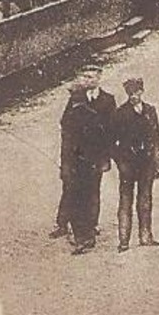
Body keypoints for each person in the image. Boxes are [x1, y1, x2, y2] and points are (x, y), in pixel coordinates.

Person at [58, 73, 115, 255]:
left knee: (87, 197)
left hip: (88, 162)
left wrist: (103, 159)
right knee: (79, 198)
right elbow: (66, 142)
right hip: (78, 162)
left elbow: (106, 137)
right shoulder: (74, 117)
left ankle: (86, 235)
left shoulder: (88, 116)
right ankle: (83, 237)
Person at [111, 78, 159, 250]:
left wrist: (158, 162)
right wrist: (120, 162)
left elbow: (156, 138)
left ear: (142, 91)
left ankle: (146, 236)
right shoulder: (120, 113)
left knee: (145, 200)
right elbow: (112, 143)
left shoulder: (150, 111)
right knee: (125, 200)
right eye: (130, 94)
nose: (134, 96)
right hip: (128, 165)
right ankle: (124, 240)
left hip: (147, 163)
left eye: (137, 92)